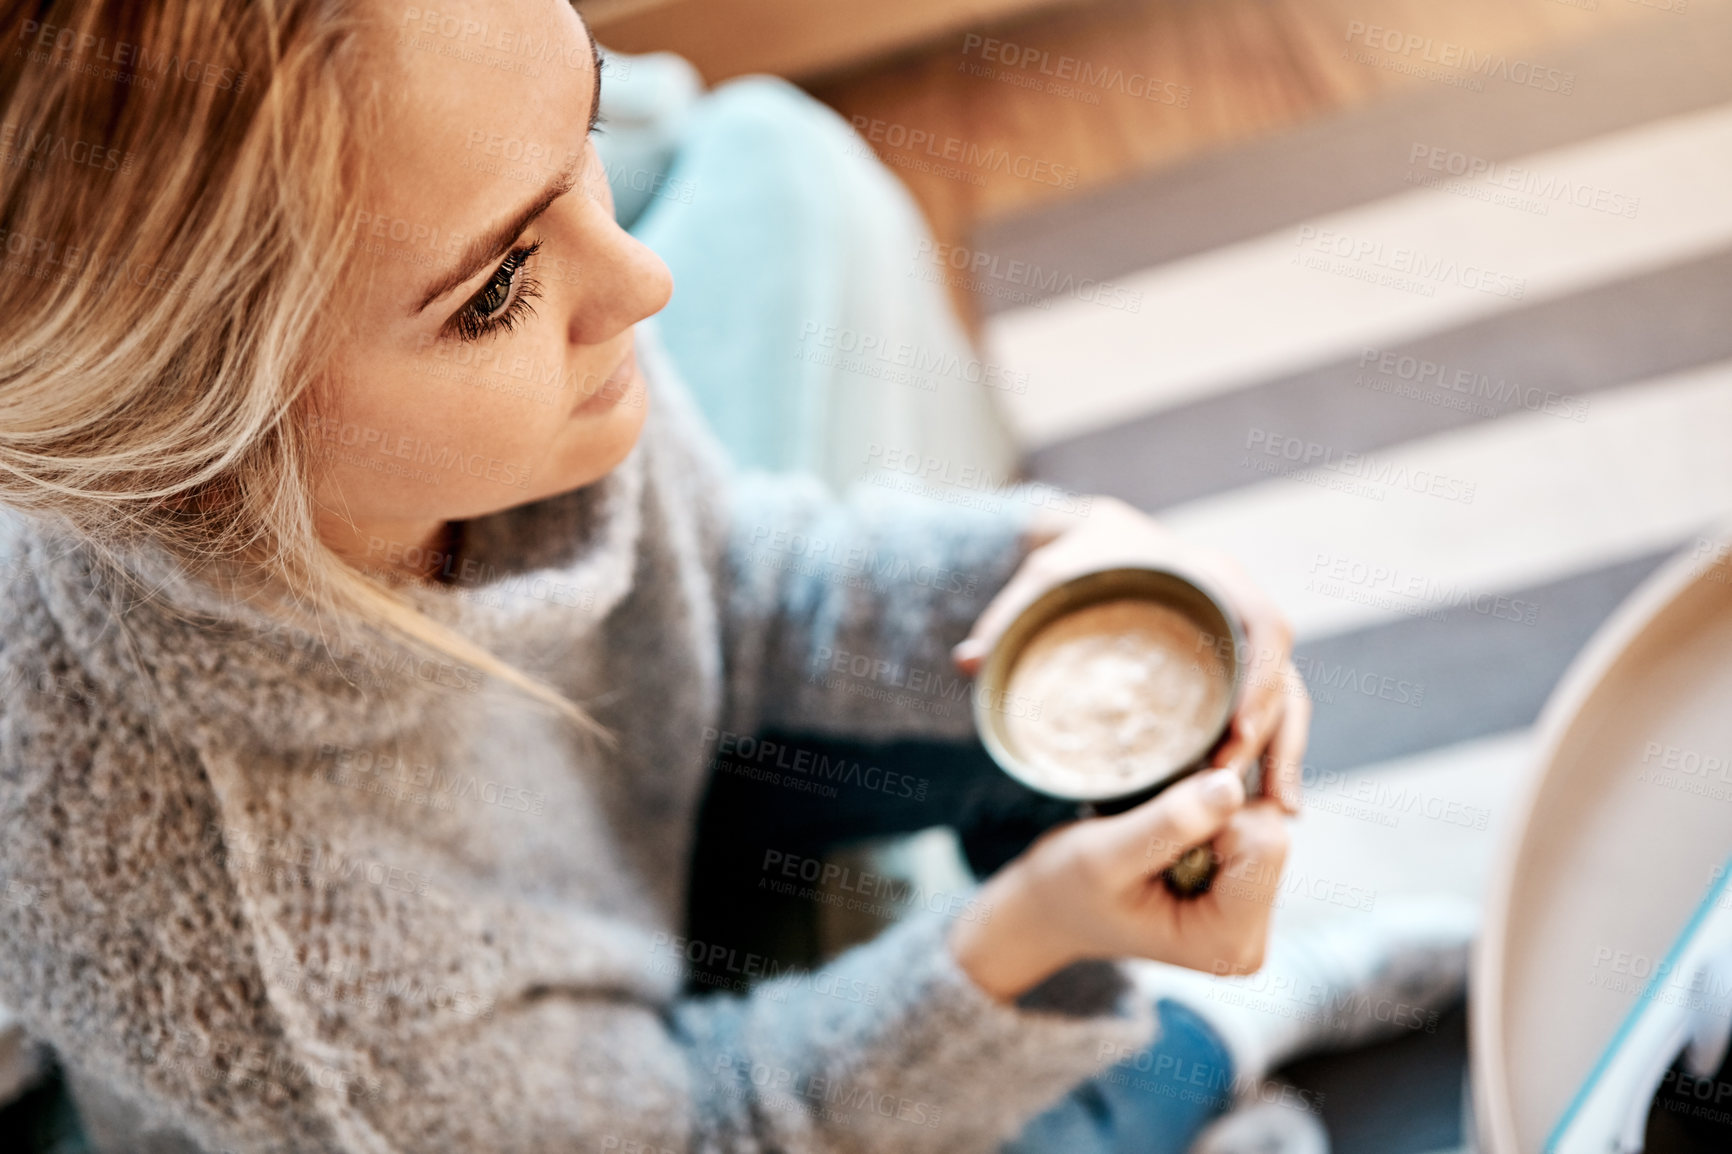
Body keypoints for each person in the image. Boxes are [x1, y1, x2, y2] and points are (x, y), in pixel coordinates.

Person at [0, 3, 1418, 1152]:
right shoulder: (284, 984)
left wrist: (1067, 568)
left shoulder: (533, 356)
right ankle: (1195, 1044)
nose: (639, 281)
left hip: (632, 824)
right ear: (204, 455)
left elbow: (739, 584)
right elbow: (713, 1128)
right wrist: (1022, 943)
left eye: (590, 130)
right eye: (498, 286)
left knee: (1077, 706)